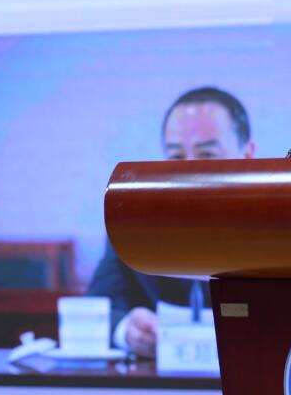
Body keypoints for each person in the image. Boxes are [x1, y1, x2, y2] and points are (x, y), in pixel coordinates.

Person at [87, 86, 256, 358]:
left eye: (206, 154)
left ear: (247, 155)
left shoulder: (283, 226)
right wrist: (127, 329)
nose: (187, 169)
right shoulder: (135, 223)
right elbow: (99, 307)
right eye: (176, 156)